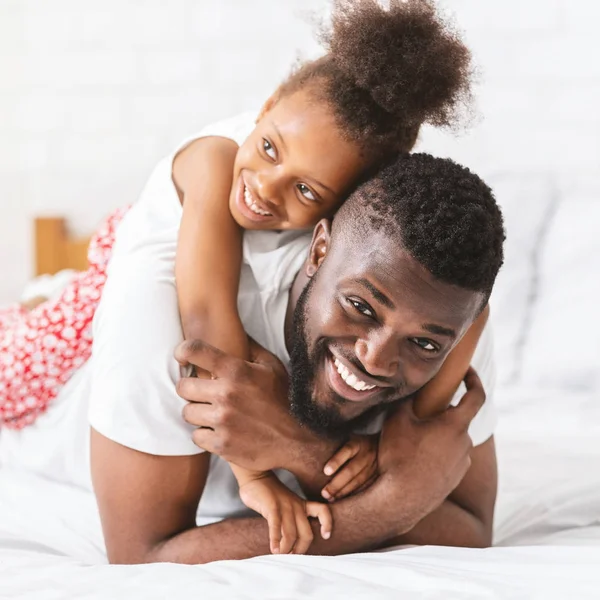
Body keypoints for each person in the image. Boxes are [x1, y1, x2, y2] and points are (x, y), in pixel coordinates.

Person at [0, 0, 483, 553]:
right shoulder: (214, 162)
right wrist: (256, 475)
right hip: (69, 324)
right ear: (268, 106)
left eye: (306, 190)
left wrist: (401, 442)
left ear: (343, 206)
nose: (266, 188)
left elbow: (475, 311)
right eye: (270, 149)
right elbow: (207, 320)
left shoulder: (402, 256)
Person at [89, 151, 505, 564]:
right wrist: (389, 507)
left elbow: (472, 528)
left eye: (424, 345)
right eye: (360, 307)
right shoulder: (163, 313)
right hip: (48, 396)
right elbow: (139, 558)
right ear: (319, 250)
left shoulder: (445, 320)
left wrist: (302, 450)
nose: (376, 361)